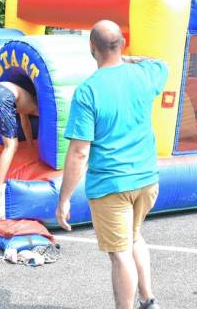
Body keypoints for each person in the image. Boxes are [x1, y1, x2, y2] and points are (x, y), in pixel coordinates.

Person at [55, 20, 168, 309]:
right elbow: (160, 63)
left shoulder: (88, 91)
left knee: (120, 255)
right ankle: (149, 300)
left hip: (112, 186)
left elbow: (80, 152)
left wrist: (64, 198)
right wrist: (125, 58)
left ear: (92, 49)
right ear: (122, 45)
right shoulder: (144, 75)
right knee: (133, 238)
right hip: (146, 180)